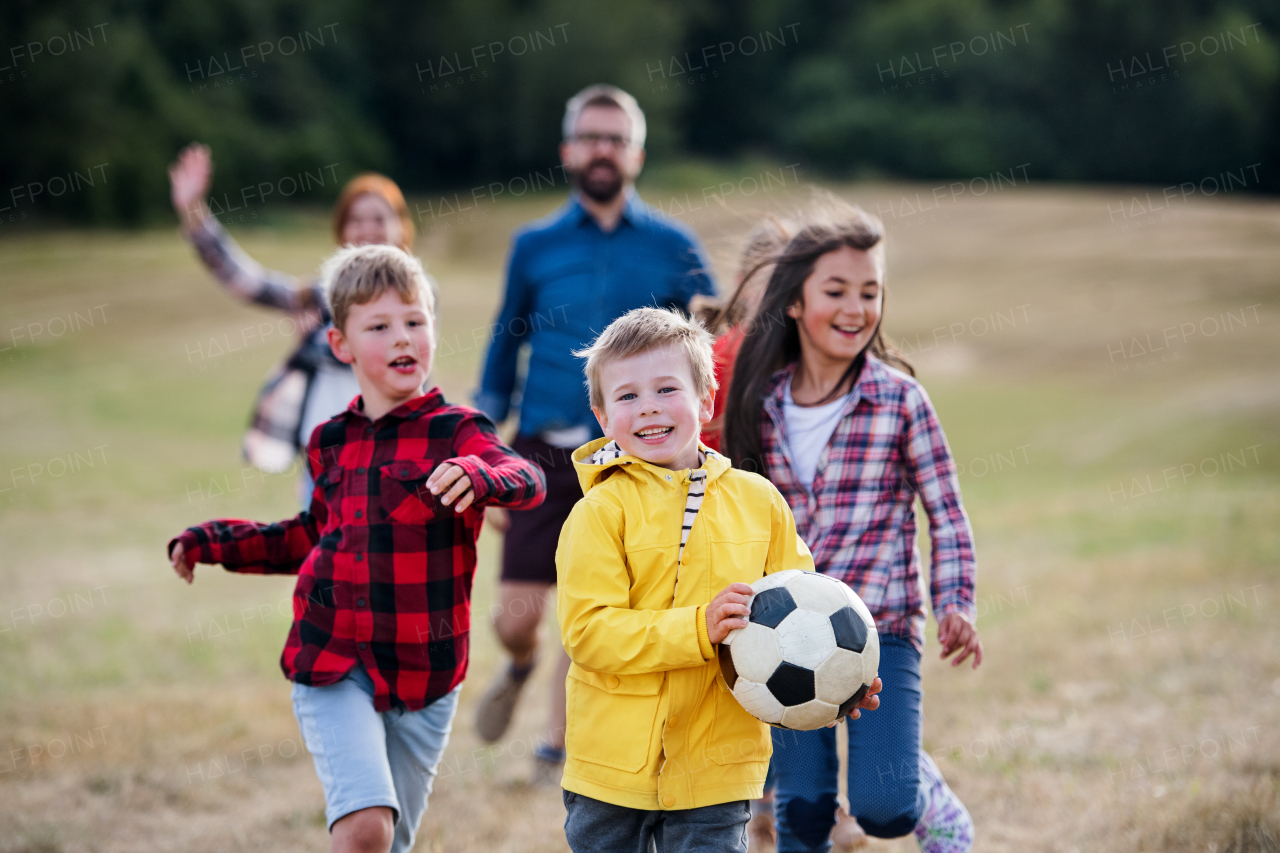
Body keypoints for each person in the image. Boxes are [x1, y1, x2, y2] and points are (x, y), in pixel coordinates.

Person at [166, 245, 546, 853]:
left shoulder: (459, 430)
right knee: (367, 827)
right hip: (332, 658)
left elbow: (527, 479)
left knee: (391, 842)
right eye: (379, 326)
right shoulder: (330, 441)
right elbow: (309, 535)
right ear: (341, 345)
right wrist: (213, 541)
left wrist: (479, 477)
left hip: (426, 676)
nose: (403, 337)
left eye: (415, 321)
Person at [555, 307, 881, 853]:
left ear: (706, 400)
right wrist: (698, 628)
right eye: (628, 397)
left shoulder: (759, 502)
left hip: (718, 766)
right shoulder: (598, 513)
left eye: (666, 389)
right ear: (602, 415)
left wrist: (837, 679)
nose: (650, 408)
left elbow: (802, 608)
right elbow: (590, 632)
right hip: (613, 769)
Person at [472, 84, 717, 780]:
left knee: (600, 606)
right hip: (542, 450)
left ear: (636, 154)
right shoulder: (533, 245)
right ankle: (521, 661)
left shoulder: (675, 246)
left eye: (615, 138)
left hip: (632, 455)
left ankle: (557, 741)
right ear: (567, 151)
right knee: (517, 616)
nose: (602, 149)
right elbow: (499, 350)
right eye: (590, 137)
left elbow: (711, 341)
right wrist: (486, 453)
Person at [722, 199, 982, 853]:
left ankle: (919, 781)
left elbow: (945, 512)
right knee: (801, 816)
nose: (855, 308)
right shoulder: (762, 401)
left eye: (869, 292)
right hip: (786, 634)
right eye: (835, 290)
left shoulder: (900, 400)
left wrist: (957, 602)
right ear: (794, 303)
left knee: (885, 809)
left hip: (885, 629)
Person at [168, 143, 416, 503]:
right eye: (357, 219)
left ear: (401, 229)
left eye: (379, 219)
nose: (368, 229)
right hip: (324, 458)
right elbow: (246, 281)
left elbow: (394, 359)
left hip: (393, 457)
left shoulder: (418, 296)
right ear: (341, 231)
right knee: (321, 556)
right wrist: (193, 211)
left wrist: (320, 341)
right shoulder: (316, 296)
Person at [701, 216, 795, 452]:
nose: (785, 291)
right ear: (742, 283)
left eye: (796, 280)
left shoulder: (818, 356)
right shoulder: (714, 360)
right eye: (773, 279)